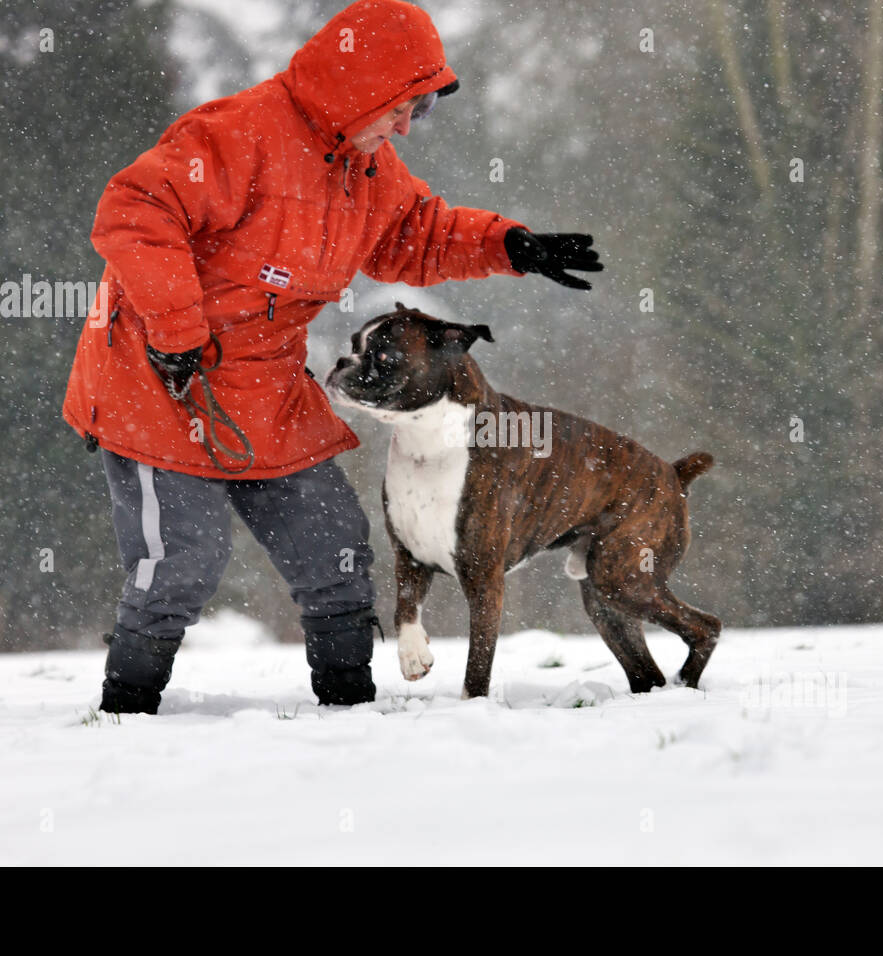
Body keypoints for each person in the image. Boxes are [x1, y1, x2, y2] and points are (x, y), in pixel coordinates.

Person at [62, 0, 602, 714]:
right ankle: (127, 710)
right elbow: (136, 210)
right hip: (161, 379)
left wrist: (510, 246)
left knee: (335, 548)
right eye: (405, 106)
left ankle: (348, 708)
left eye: (424, 111)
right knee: (183, 563)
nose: (409, 125)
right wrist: (177, 331)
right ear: (362, 89)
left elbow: (419, 232)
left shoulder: (368, 168)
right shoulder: (234, 136)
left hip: (268, 383)